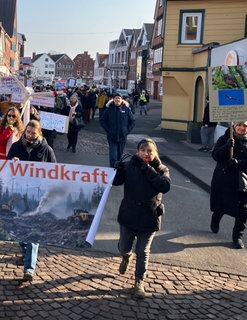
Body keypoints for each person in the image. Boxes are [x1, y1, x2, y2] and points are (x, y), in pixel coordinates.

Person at [113, 138, 171, 299]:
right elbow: (115, 182)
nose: (146, 153)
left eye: (150, 151)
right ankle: (126, 256)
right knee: (124, 246)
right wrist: (116, 169)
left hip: (149, 217)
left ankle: (139, 281)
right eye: (143, 150)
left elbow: (165, 186)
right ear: (138, 151)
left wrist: (147, 169)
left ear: (155, 153)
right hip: (129, 214)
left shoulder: (161, 169)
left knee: (143, 251)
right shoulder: (129, 165)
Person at [7, 120, 56, 282]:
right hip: (19, 194)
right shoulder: (16, 147)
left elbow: (55, 171)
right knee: (19, 227)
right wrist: (12, 163)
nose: (30, 135)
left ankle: (29, 268)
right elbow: (6, 169)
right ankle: (26, 250)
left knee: (33, 230)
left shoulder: (46, 150)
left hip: (37, 195)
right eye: (28, 132)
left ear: (39, 134)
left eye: (33, 133)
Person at [210, 121, 247, 249]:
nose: (242, 128)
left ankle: (237, 237)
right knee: (221, 206)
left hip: (244, 182)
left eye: (245, 126)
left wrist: (239, 163)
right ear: (234, 126)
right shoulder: (225, 138)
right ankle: (215, 219)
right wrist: (227, 147)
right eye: (239, 125)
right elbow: (215, 155)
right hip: (225, 180)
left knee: (243, 211)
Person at [100, 93, 136, 167]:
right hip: (112, 136)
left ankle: (118, 172)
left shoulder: (126, 109)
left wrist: (127, 131)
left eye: (119, 98)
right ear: (113, 99)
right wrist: (108, 130)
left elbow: (132, 121)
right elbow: (102, 120)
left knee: (120, 156)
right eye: (116, 98)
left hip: (123, 136)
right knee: (113, 155)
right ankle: (112, 170)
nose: (117, 99)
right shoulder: (109, 109)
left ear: (122, 100)